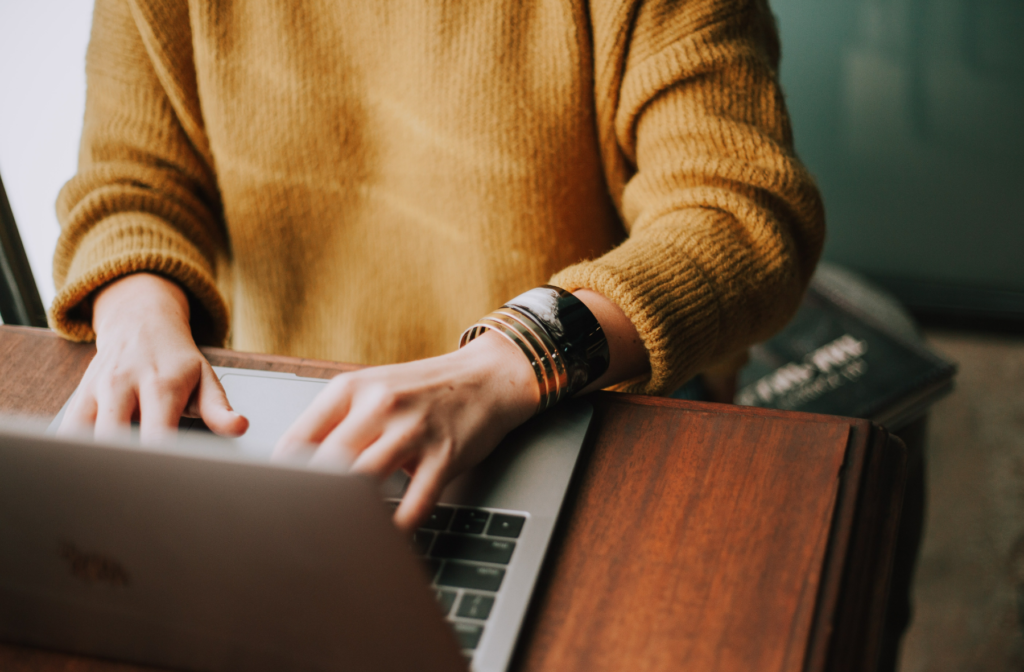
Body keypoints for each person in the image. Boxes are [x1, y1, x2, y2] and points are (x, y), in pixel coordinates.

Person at [51, 0, 825, 533]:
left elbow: (741, 213)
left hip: (580, 403)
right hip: (290, 429)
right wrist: (135, 311)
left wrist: (515, 359)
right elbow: (129, 184)